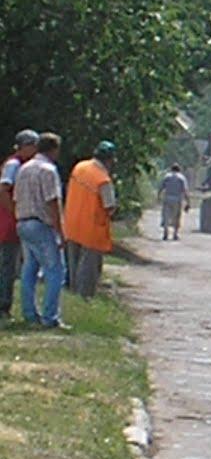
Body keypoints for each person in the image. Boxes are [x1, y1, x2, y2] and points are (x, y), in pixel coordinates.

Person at [13, 132, 66, 328]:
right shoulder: (48, 170)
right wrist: (61, 231)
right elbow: (52, 201)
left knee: (29, 269)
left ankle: (29, 313)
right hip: (41, 223)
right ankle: (50, 316)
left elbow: (16, 198)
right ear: (54, 149)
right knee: (55, 270)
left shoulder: (24, 168)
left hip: (23, 222)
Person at [64, 141, 118, 298]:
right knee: (89, 269)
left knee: (73, 266)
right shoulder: (103, 180)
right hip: (92, 229)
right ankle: (84, 299)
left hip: (72, 224)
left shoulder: (79, 167)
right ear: (109, 160)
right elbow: (110, 206)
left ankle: (72, 295)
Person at [0, 130, 39, 321]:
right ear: (24, 146)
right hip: (8, 223)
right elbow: (3, 190)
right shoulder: (14, 164)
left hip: (15, 221)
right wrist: (15, 214)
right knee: (7, 265)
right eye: (33, 146)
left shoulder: (24, 165)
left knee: (15, 265)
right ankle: (3, 306)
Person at [158, 163, 190, 241]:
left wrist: (158, 196)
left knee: (166, 216)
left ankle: (165, 234)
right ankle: (175, 234)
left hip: (167, 198)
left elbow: (161, 187)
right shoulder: (181, 178)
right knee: (176, 217)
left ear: (171, 169)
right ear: (179, 170)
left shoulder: (167, 177)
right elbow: (185, 190)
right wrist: (188, 202)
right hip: (177, 199)